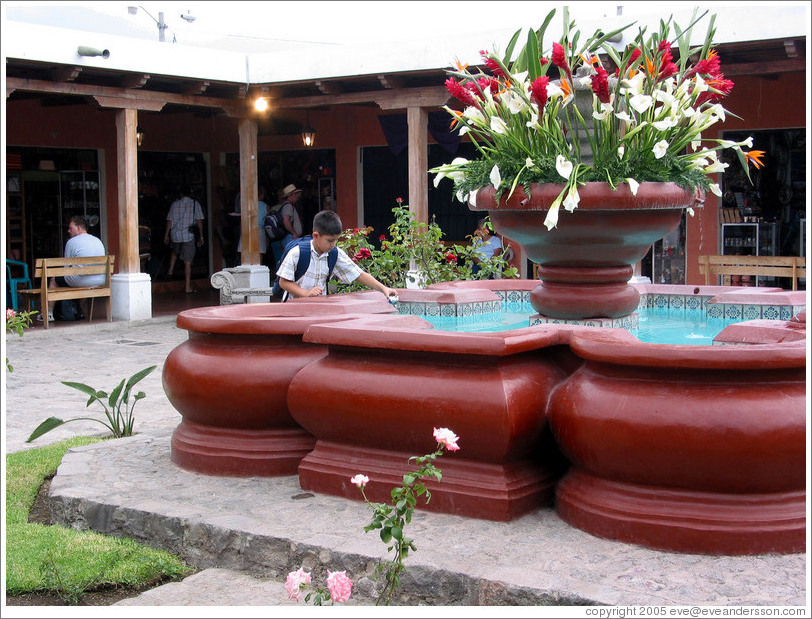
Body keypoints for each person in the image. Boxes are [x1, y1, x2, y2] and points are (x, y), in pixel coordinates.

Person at [276, 210, 397, 300]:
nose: (333, 244)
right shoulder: (297, 253)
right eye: (330, 240)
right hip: (294, 310)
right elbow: (283, 282)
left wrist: (383, 289)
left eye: (336, 240)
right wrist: (306, 293)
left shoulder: (334, 253)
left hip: (319, 310)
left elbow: (358, 274)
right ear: (316, 236)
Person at [38, 215, 106, 322]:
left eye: (71, 228)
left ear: (78, 228)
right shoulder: (98, 240)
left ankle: (48, 314)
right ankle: (82, 313)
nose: (68, 231)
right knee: (80, 279)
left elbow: (67, 267)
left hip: (81, 280)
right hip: (100, 280)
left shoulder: (72, 242)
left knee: (54, 281)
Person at [164, 185, 204, 293]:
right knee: (187, 262)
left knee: (174, 251)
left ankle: (170, 270)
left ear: (181, 194)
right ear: (190, 193)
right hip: (188, 235)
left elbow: (170, 220)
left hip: (175, 234)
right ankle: (187, 287)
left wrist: (166, 235)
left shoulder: (174, 204)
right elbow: (199, 221)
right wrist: (201, 236)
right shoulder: (195, 204)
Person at [235, 186, 269, 264]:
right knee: (259, 255)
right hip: (260, 230)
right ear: (262, 195)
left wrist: (241, 233)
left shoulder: (247, 205)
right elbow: (267, 221)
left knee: (245, 254)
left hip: (247, 230)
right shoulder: (266, 206)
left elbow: (242, 220)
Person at [278, 183, 304, 251]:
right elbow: (286, 221)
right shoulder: (288, 206)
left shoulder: (288, 205)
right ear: (290, 195)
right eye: (295, 194)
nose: (297, 196)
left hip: (290, 237)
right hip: (290, 237)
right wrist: (294, 233)